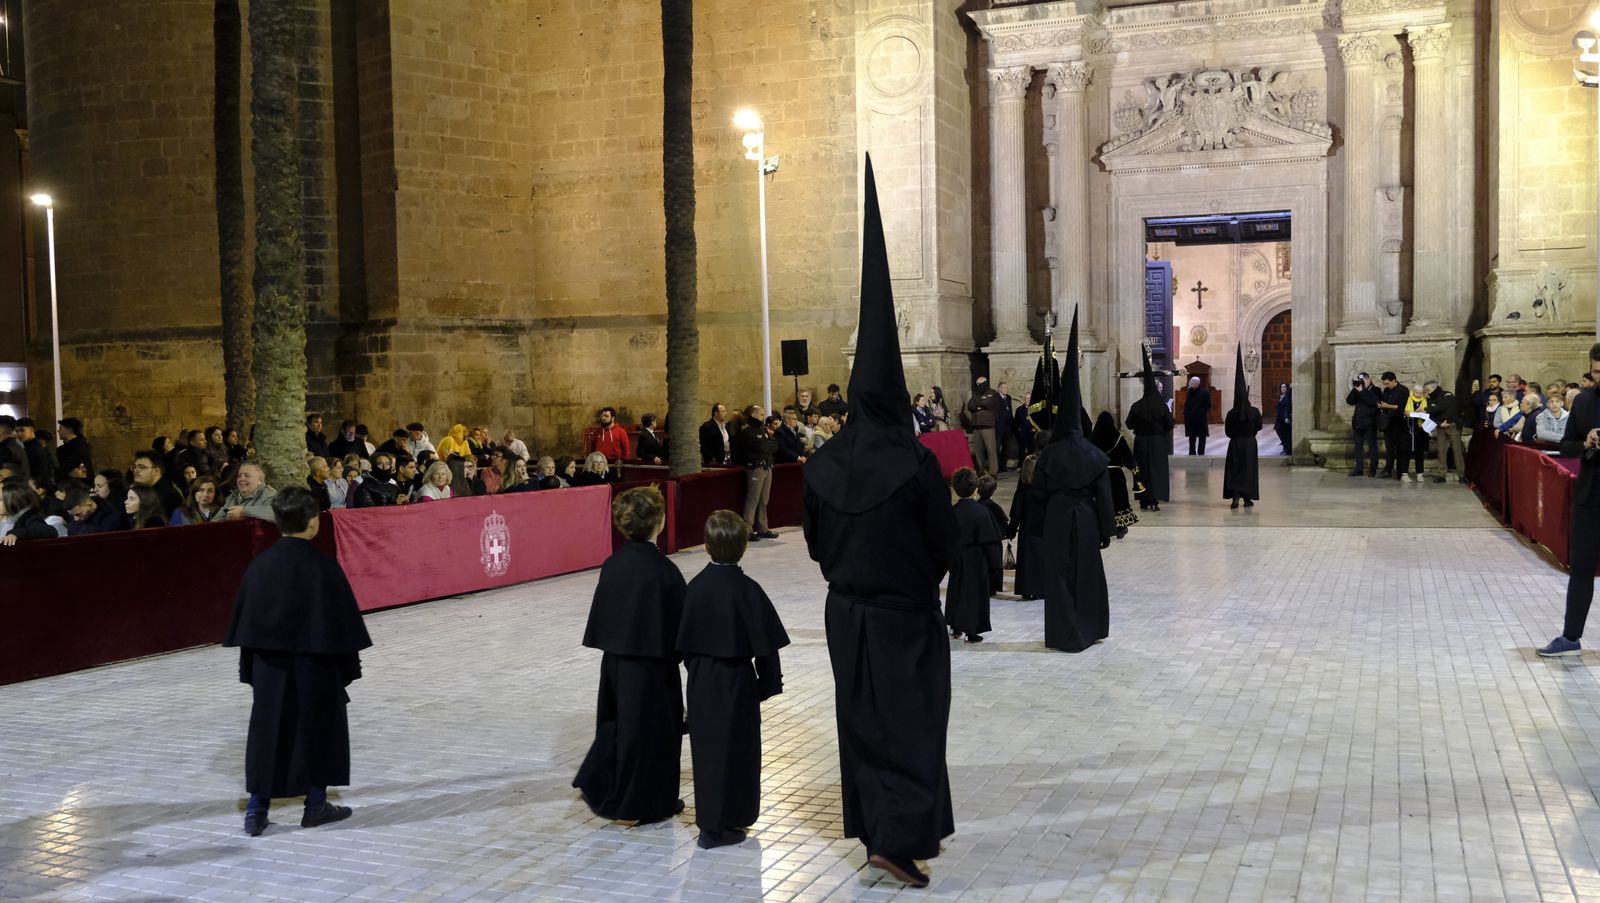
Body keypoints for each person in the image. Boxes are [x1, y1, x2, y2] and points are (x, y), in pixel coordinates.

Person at [801, 158, 959, 888]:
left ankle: (876, 831)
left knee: (861, 719)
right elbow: (943, 544)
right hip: (903, 613)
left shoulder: (823, 464)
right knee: (915, 721)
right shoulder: (919, 463)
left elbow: (812, 543)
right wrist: (918, 578)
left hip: (846, 613)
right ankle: (901, 836)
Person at [223, 487, 372, 836]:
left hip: (270, 669)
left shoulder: (259, 568)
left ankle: (257, 812)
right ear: (313, 522)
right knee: (318, 730)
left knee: (267, 732)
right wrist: (343, 672)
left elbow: (247, 631)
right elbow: (343, 628)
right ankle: (315, 807)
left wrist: (254, 673)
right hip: (317, 668)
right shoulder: (323, 568)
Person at [675, 509, 789, 849]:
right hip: (738, 682)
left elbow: (683, 646)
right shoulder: (749, 590)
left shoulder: (695, 588)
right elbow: (767, 648)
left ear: (707, 548)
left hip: (702, 683)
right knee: (740, 752)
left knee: (707, 752)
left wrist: (697, 675)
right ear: (744, 548)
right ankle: (734, 817)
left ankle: (711, 822)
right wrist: (767, 685)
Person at [573, 486, 686, 823]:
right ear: (658, 522)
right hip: (654, 667)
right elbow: (682, 627)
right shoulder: (664, 570)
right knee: (654, 736)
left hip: (616, 664)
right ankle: (647, 803)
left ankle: (614, 791)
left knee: (620, 728)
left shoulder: (613, 564)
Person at [1029, 307, 1113, 654]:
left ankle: (1065, 635)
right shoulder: (1095, 456)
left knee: (1060, 577)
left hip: (1057, 519)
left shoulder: (1048, 455)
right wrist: (1106, 530)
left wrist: (1035, 529)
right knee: (1087, 573)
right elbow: (1104, 496)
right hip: (1087, 519)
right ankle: (1089, 628)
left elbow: (1038, 494)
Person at [1541, 346, 1600, 656]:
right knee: (1581, 566)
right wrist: (1586, 441)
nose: (1599, 378)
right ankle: (1571, 637)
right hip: (1590, 495)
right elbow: (1566, 446)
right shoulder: (1585, 401)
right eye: (1596, 373)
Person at [945, 467, 1000, 644]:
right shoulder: (982, 513)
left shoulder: (952, 512)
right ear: (976, 488)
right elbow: (990, 542)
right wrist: (995, 565)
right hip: (976, 559)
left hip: (957, 558)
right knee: (975, 594)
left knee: (956, 590)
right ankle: (973, 631)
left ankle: (955, 625)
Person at [1126, 347, 1174, 511]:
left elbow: (1129, 424)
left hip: (1141, 442)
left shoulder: (1137, 405)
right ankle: (1154, 499)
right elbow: (1170, 424)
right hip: (1158, 442)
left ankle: (1143, 499)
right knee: (1156, 470)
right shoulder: (1161, 406)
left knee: (1143, 470)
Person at [1222, 347, 1262, 508]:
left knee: (1235, 470)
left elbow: (1227, 432)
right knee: (1248, 470)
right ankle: (1247, 498)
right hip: (1250, 444)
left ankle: (1236, 497)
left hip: (1235, 444)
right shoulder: (1254, 412)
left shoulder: (1232, 413)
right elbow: (1259, 427)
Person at [1089, 411, 1138, 536]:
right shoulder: (1118, 438)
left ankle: (1101, 526)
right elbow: (1127, 456)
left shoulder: (1092, 438)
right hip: (1115, 474)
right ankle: (1120, 527)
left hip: (1098, 474)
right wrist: (1135, 469)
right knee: (1118, 500)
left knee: (1101, 500)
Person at [734, 406, 778, 541]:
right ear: (753, 415)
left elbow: (774, 446)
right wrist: (767, 445)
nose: (763, 417)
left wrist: (768, 444)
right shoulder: (747, 432)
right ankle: (747, 529)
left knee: (764, 499)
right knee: (753, 498)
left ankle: (763, 528)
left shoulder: (763, 430)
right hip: (755, 467)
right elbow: (760, 447)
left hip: (767, 466)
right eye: (761, 414)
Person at [1007, 454, 1044, 601]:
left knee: (1027, 562)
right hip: (1043, 532)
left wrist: (1010, 531)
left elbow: (1015, 514)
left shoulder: (1022, 493)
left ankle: (1028, 589)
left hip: (1027, 532)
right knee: (1042, 561)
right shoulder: (1045, 493)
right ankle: (1043, 589)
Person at [1423, 380, 1466, 481]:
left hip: (1453, 426)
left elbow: (1441, 407)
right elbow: (1431, 415)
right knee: (1441, 451)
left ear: (1434, 387)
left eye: (1428, 390)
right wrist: (1439, 423)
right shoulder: (1431, 400)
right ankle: (1441, 474)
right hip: (1441, 427)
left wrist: (1426, 409)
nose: (1427, 392)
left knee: (1457, 450)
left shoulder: (1447, 394)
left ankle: (1462, 474)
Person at [130, 449, 184, 520]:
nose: (135, 470)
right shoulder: (147, 491)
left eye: (141, 467)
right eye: (135, 467)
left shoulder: (169, 495)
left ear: (156, 471)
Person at [966, 376, 1003, 475]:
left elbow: (987, 403)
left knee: (991, 450)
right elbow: (970, 405)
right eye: (977, 384)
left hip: (988, 426)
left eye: (980, 383)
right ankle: (981, 470)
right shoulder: (976, 394)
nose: (978, 385)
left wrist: (977, 404)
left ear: (985, 383)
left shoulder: (992, 393)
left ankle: (993, 471)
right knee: (978, 451)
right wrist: (979, 405)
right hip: (976, 426)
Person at [1346, 372, 1380, 477]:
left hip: (1370, 423)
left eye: (1364, 379)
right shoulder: (1358, 390)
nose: (1362, 382)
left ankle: (1373, 470)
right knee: (1358, 447)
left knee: (1372, 447)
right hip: (1358, 423)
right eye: (1360, 379)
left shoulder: (1376, 390)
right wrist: (1355, 389)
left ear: (1369, 379)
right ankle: (1358, 469)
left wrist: (1361, 392)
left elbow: (1372, 402)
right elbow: (1349, 401)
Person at [1375, 372, 1407, 477]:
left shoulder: (1403, 390)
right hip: (1388, 423)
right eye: (1384, 384)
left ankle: (1400, 471)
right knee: (1389, 448)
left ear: (1394, 380)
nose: (1386, 386)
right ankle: (1388, 469)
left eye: (1388, 383)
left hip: (1399, 423)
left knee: (1399, 448)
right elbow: (1384, 402)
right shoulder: (1386, 390)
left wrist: (1388, 406)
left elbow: (1403, 407)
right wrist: (1381, 405)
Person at [1182, 375, 1212, 454]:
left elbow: (1208, 404)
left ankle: (1201, 452)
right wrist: (1186, 413)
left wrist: (1201, 412)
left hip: (1200, 418)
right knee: (1192, 436)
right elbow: (1187, 403)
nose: (1191, 383)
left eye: (1194, 382)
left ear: (1198, 383)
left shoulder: (1204, 392)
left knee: (1202, 436)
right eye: (1191, 381)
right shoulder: (1189, 392)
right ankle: (1192, 452)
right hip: (1190, 418)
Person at [1274, 383, 1292, 455]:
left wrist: (1286, 417)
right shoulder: (1282, 396)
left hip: (1284, 419)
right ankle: (1285, 448)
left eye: (1284, 387)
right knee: (1279, 431)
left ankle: (1287, 450)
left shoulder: (1287, 397)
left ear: (1287, 388)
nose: (1283, 388)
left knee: (1285, 435)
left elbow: (1286, 408)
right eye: (1281, 387)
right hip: (1280, 418)